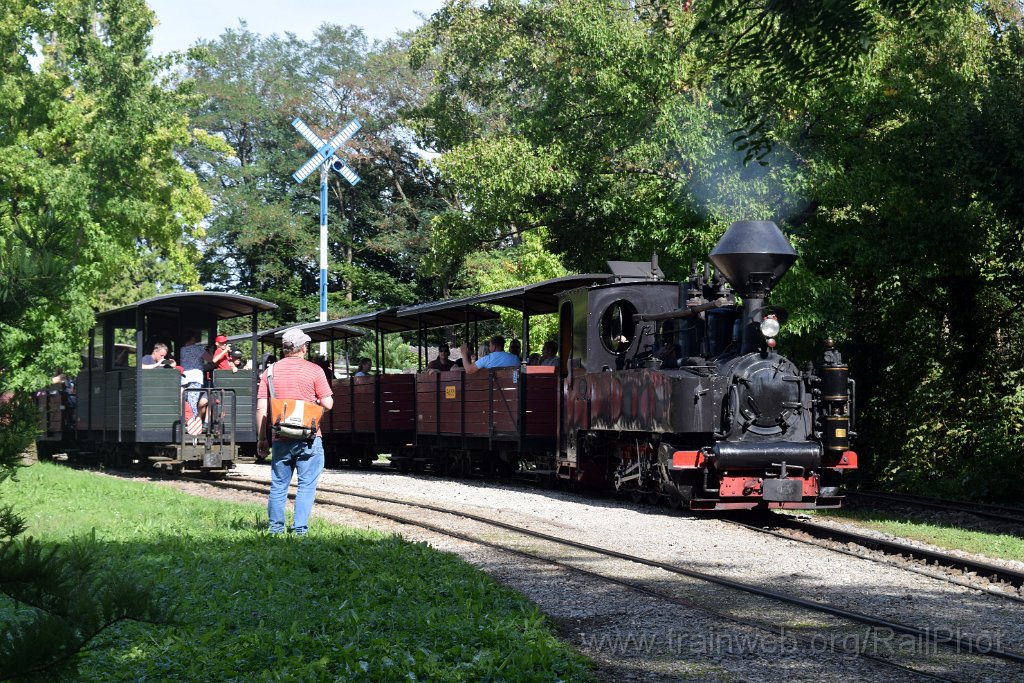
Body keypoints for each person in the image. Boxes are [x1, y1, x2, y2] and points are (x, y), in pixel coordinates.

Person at [256, 327, 334, 536]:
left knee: (278, 484)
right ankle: (299, 530)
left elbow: (262, 408)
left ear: (284, 349)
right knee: (306, 485)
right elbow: (328, 403)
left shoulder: (270, 372)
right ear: (303, 348)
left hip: (280, 435)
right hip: (308, 437)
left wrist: (262, 438)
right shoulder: (315, 370)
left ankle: (275, 529)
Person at [179, 331, 208, 422]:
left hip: (184, 378)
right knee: (193, 402)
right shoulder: (198, 349)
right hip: (195, 377)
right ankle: (193, 422)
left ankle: (185, 421)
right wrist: (210, 351)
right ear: (192, 338)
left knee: (184, 402)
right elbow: (210, 359)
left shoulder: (182, 349)